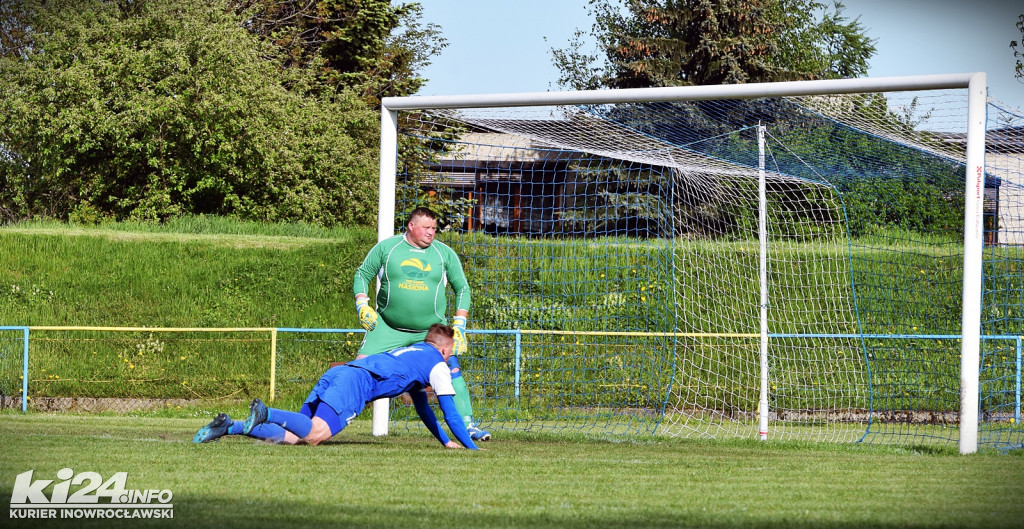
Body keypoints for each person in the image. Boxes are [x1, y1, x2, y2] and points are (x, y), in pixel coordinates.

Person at [193, 324, 478, 449]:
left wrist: (445, 441)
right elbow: (450, 412)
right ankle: (266, 413)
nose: (452, 355)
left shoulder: (415, 352)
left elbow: (424, 410)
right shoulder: (438, 365)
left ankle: (229, 426)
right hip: (355, 383)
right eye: (451, 350)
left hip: (341, 373)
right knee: (317, 435)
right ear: (444, 349)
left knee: (295, 435)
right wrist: (470, 447)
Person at [352, 206, 490, 441]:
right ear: (411, 226)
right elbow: (362, 274)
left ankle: (468, 425)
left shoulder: (444, 254)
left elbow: (463, 288)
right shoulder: (388, 248)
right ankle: (329, 417)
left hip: (431, 333)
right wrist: (362, 305)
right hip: (387, 327)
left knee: (451, 369)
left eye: (434, 228)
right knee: (357, 371)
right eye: (426, 228)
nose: (431, 233)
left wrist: (460, 324)